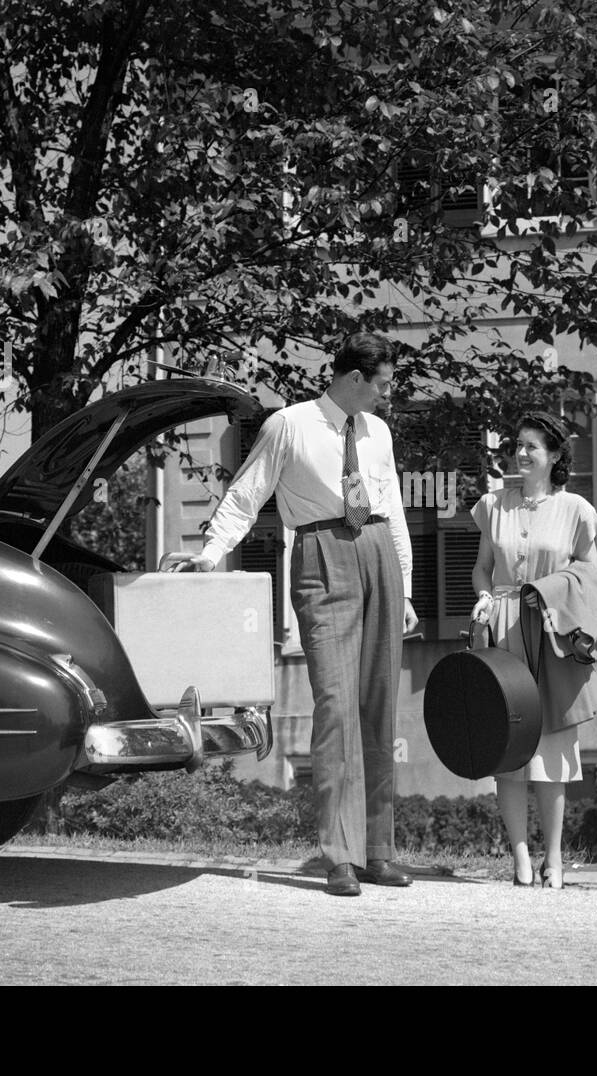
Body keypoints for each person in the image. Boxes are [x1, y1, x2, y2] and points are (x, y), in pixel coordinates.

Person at [186, 332, 420, 897]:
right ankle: (338, 854)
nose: (389, 394)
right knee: (337, 704)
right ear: (354, 378)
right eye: (383, 383)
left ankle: (377, 852)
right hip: (320, 554)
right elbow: (247, 493)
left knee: (378, 705)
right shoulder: (288, 424)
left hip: (378, 556)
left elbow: (391, 510)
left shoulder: (378, 432)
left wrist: (406, 588)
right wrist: (211, 553)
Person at [469, 412, 597, 890]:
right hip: (505, 630)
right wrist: (485, 597)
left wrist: (551, 590)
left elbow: (591, 579)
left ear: (554, 456)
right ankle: (520, 858)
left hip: (551, 634)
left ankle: (553, 859)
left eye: (533, 446)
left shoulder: (575, 509)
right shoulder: (494, 505)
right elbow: (483, 568)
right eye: (518, 444)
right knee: (507, 747)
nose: (522, 453)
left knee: (550, 751)